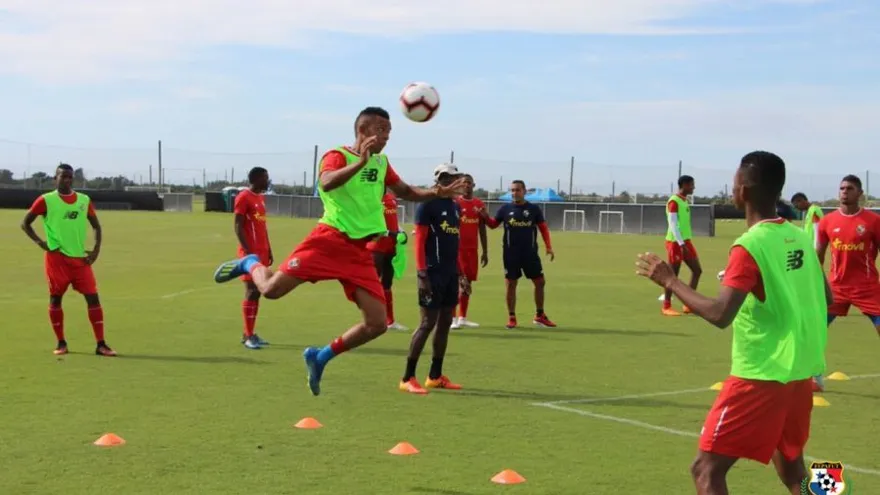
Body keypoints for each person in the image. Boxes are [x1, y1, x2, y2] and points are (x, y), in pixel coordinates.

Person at [212, 106, 465, 396]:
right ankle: (251, 264)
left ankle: (320, 357)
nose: (386, 137)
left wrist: (437, 192)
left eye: (390, 132)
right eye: (382, 130)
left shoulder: (382, 163)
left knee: (377, 324)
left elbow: (406, 191)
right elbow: (326, 183)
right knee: (270, 290)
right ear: (363, 130)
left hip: (359, 251)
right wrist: (360, 162)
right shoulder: (337, 155)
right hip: (328, 241)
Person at [636, 151, 829, 495]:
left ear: (743, 190)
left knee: (705, 470)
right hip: (800, 374)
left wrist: (670, 281)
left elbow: (720, 314)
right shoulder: (800, 237)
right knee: (794, 467)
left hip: (760, 375)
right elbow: (824, 298)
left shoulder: (750, 245)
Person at [21, 163, 116, 357]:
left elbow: (96, 226)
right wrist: (40, 242)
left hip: (80, 259)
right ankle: (61, 342)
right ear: (55, 178)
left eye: (70, 177)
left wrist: (96, 250)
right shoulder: (45, 200)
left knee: (93, 298)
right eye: (63, 176)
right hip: (56, 258)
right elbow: (25, 223)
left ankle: (101, 344)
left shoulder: (84, 200)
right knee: (56, 298)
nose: (67, 180)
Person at [400, 164, 467, 394]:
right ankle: (408, 377)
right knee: (427, 323)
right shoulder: (427, 205)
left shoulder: (455, 207)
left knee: (446, 323)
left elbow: (454, 243)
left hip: (450, 273)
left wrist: (461, 273)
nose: (451, 182)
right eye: (445, 178)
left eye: (454, 177)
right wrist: (422, 274)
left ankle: (435, 376)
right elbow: (420, 241)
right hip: (432, 273)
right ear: (438, 180)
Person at [814, 175, 880, 392]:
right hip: (836, 288)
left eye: (849, 188)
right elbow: (818, 256)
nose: (844, 192)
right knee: (814, 329)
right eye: (842, 188)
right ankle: (813, 376)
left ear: (859, 193)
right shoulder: (827, 221)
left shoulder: (873, 221)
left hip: (867, 287)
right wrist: (814, 284)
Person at [480, 180, 556, 329]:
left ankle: (539, 315)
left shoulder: (533, 209)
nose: (514, 193)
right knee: (511, 284)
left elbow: (543, 228)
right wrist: (484, 216)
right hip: (510, 254)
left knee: (540, 282)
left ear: (524, 191)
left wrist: (549, 247)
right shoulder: (505, 209)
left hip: (530, 253)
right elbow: (493, 225)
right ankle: (512, 317)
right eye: (512, 190)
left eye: (517, 190)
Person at [233, 167, 273, 350]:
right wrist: (248, 252)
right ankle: (248, 336)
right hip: (250, 254)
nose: (268, 181)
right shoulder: (243, 197)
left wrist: (269, 249)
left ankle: (249, 332)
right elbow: (238, 226)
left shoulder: (261, 198)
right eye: (265, 178)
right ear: (256, 179)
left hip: (262, 252)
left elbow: (262, 227)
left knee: (258, 292)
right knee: (251, 291)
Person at [366, 189, 408, 331]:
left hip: (390, 246)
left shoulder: (391, 197)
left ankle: (390, 321)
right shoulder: (372, 196)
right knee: (372, 283)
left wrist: (401, 231)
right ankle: (371, 319)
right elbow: (369, 221)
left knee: (387, 284)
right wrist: (389, 232)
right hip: (376, 246)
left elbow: (393, 221)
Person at [662, 175, 703, 316]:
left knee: (697, 270)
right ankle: (666, 306)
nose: (693, 187)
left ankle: (688, 304)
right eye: (692, 185)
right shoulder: (674, 201)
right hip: (675, 242)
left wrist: (685, 242)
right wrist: (680, 243)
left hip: (686, 241)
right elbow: (672, 224)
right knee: (672, 275)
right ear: (684, 185)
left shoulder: (684, 201)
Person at [451, 174, 488, 329]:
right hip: (457, 249)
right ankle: (452, 319)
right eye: (463, 183)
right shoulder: (455, 203)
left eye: (469, 183)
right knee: (456, 283)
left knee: (468, 283)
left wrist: (485, 251)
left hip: (472, 250)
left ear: (473, 185)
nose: (466, 185)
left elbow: (482, 228)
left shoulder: (479, 204)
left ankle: (462, 317)